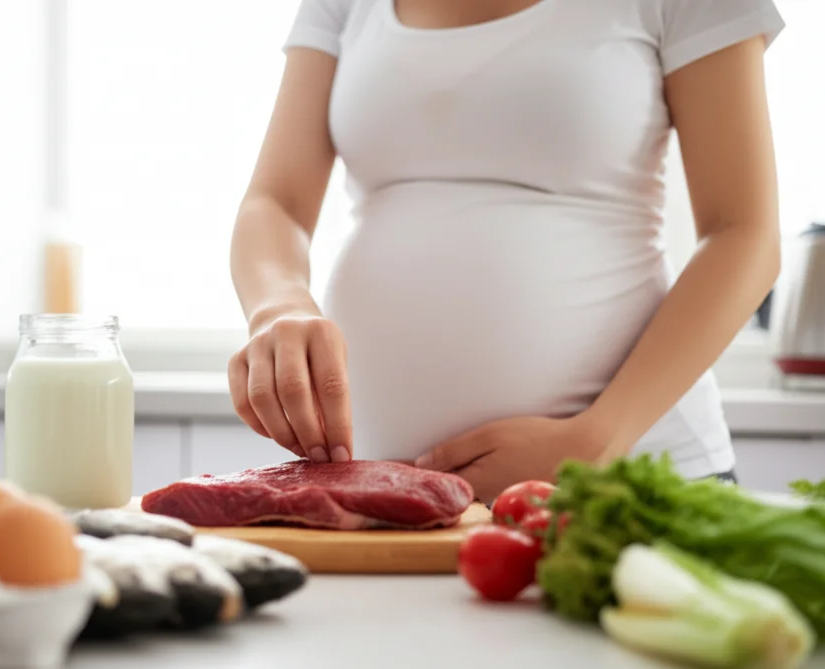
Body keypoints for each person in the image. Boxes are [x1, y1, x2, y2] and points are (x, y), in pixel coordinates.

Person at [228, 0, 784, 502]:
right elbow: (276, 201)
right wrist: (278, 307)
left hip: (623, 478)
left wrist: (597, 438)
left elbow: (743, 233)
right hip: (388, 487)